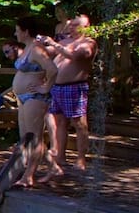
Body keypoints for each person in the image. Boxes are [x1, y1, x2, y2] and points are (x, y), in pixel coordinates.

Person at [11, 19, 63, 187]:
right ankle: (53, 167)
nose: (15, 33)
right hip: (23, 97)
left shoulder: (36, 49)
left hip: (35, 98)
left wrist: (46, 87)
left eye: (17, 30)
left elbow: (52, 69)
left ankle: (29, 175)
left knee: (34, 137)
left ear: (26, 31)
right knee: (26, 136)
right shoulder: (27, 48)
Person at [46, 13, 98, 177]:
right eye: (71, 25)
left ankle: (81, 159)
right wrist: (39, 43)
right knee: (60, 122)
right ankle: (60, 156)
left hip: (75, 87)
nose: (71, 27)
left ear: (86, 27)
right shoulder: (64, 41)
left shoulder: (88, 43)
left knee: (79, 123)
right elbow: (48, 52)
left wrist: (55, 44)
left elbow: (76, 56)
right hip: (57, 87)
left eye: (75, 25)